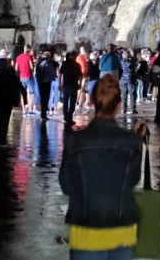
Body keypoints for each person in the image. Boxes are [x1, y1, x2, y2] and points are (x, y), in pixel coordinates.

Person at [59, 75, 146, 259]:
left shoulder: (75, 140)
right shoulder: (131, 142)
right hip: (122, 228)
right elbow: (133, 178)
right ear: (119, 104)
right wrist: (135, 138)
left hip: (86, 228)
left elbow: (66, 185)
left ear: (91, 101)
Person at [59, 51, 84, 125]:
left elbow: (60, 74)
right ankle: (69, 117)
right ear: (75, 56)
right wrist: (80, 84)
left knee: (65, 101)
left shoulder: (65, 64)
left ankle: (65, 116)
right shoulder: (77, 65)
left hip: (66, 85)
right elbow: (81, 76)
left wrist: (59, 83)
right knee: (72, 102)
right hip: (73, 85)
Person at [35, 51, 58, 121]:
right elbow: (53, 73)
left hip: (40, 82)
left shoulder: (39, 62)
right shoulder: (48, 63)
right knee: (46, 98)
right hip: (47, 82)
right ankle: (44, 114)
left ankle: (43, 114)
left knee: (42, 97)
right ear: (49, 57)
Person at [16, 46, 36, 114]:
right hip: (29, 76)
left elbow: (16, 68)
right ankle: (30, 109)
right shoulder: (29, 56)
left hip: (22, 77)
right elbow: (31, 67)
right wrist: (33, 67)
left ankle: (24, 110)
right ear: (28, 49)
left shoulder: (18, 57)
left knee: (22, 93)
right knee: (32, 93)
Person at [119, 49, 139, 115]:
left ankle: (123, 109)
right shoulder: (131, 62)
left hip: (123, 79)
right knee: (132, 94)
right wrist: (132, 56)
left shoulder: (121, 62)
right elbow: (135, 62)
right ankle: (133, 109)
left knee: (124, 95)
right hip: (130, 79)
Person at [76, 46, 91, 111]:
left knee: (84, 89)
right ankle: (78, 102)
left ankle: (83, 103)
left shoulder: (83, 58)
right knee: (81, 89)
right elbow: (82, 67)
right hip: (82, 75)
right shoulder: (80, 58)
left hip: (84, 75)